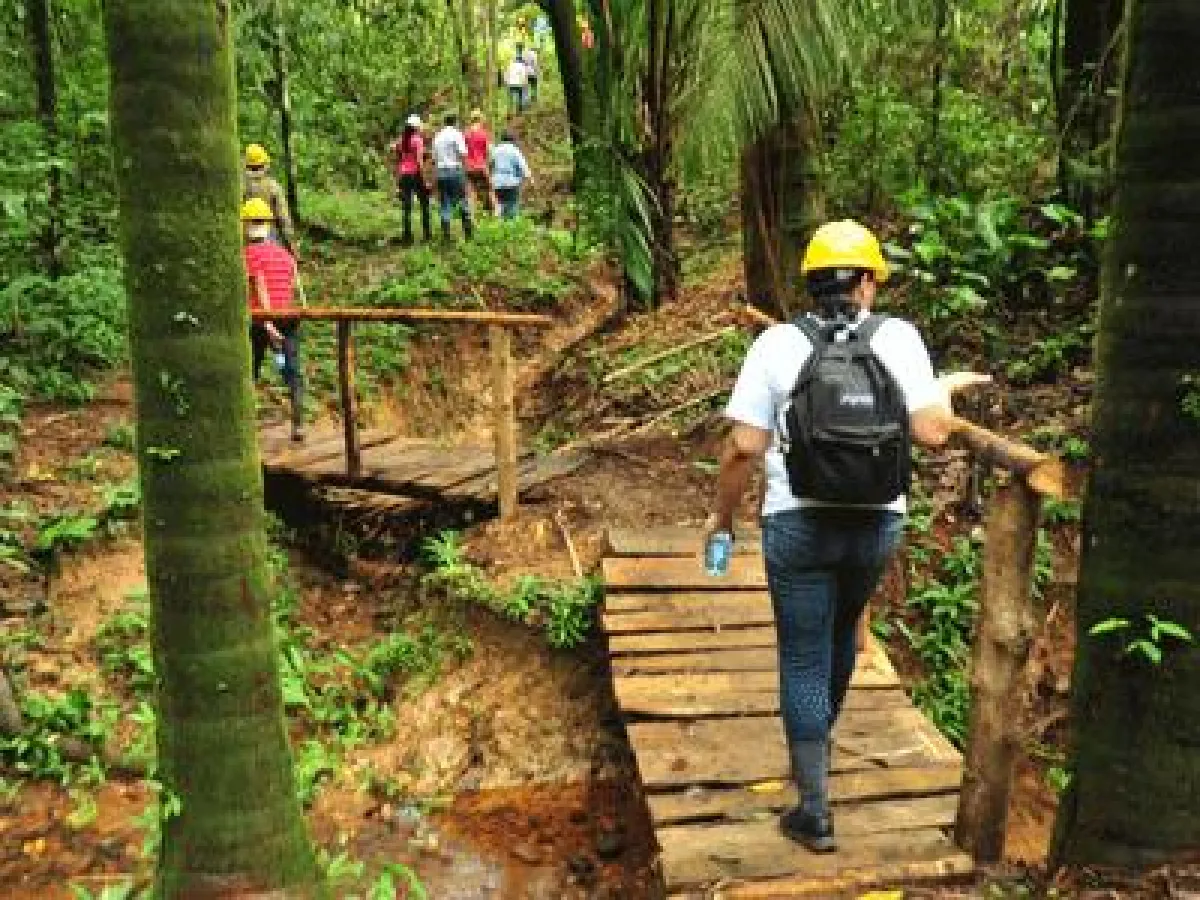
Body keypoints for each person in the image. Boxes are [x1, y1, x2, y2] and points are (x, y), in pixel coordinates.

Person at [708, 220, 988, 853]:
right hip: (876, 523)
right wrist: (941, 390)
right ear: (867, 282)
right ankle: (818, 752)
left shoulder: (776, 344)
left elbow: (743, 447)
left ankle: (814, 806)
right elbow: (934, 432)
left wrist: (721, 518)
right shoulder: (900, 339)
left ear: (810, 283)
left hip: (796, 524)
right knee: (840, 637)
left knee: (803, 655)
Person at [242, 198, 305, 442]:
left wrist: (267, 323)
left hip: (261, 319)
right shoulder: (284, 255)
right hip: (286, 316)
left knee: (250, 370)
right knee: (292, 370)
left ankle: (247, 425)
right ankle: (298, 424)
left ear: (246, 226)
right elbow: (291, 284)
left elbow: (257, 285)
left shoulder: (247, 255)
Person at [242, 143, 295, 254]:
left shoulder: (239, 186)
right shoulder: (273, 186)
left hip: (245, 234)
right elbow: (283, 217)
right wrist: (290, 244)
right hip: (269, 233)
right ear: (265, 164)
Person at [431, 112, 473, 241]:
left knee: (445, 203)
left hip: (441, 173)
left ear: (445, 122)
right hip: (455, 171)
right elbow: (463, 154)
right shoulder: (456, 134)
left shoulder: (437, 137)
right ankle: (468, 235)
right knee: (463, 201)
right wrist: (466, 173)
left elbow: (434, 159)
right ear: (455, 122)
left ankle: (446, 236)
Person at [391, 114, 432, 245]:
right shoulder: (417, 140)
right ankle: (427, 235)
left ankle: (407, 237)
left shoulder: (400, 141)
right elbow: (419, 162)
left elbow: (397, 160)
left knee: (407, 207)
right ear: (416, 127)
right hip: (415, 174)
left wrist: (397, 181)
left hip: (404, 175)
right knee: (424, 204)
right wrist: (424, 179)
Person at [490, 131, 533, 220]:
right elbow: (522, 165)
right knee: (512, 204)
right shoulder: (514, 150)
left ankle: (499, 225)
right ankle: (511, 226)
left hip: (497, 181)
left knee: (499, 205)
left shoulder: (495, 150)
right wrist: (529, 178)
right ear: (512, 140)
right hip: (511, 182)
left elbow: (490, 164)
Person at [464, 110, 495, 215]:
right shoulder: (484, 134)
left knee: (471, 192)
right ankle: (495, 215)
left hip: (469, 167)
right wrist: (489, 164)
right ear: (480, 119)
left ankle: (471, 217)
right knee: (490, 188)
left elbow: (462, 151)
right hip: (481, 166)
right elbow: (489, 151)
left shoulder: (466, 134)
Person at [505, 50, 529, 115]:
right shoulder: (522, 66)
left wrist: (506, 82)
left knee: (510, 99)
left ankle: (509, 112)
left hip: (510, 83)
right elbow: (524, 76)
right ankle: (519, 111)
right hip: (519, 84)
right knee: (520, 96)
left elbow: (506, 74)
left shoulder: (510, 65)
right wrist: (525, 83)